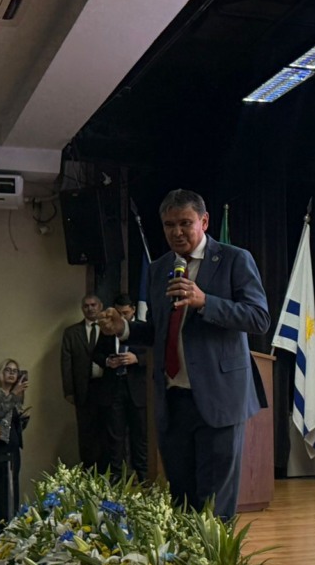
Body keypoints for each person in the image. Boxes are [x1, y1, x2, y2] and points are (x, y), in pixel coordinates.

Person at [99, 188, 269, 518]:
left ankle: (214, 555)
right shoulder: (160, 268)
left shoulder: (234, 259)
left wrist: (206, 302)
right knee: (182, 503)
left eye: (185, 223)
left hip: (220, 400)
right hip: (173, 401)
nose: (176, 232)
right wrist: (124, 329)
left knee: (214, 508)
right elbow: (160, 331)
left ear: (204, 222)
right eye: (168, 225)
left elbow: (259, 318)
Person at [93, 293, 148, 482]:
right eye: (119, 313)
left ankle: (143, 475)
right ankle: (116, 475)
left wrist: (137, 358)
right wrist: (108, 361)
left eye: (126, 313)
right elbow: (96, 354)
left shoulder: (142, 329)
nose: (122, 317)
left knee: (140, 434)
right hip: (114, 386)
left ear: (133, 310)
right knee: (115, 435)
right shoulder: (108, 330)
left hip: (137, 388)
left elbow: (155, 353)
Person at [61, 294, 106, 470]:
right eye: (86, 306)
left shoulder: (108, 329)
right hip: (83, 390)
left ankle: (108, 472)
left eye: (93, 305)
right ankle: (88, 471)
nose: (90, 308)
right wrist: (68, 391)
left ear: (100, 306)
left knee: (108, 432)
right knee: (86, 432)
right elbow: (66, 364)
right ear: (82, 309)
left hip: (107, 388)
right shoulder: (71, 333)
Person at [0, 359, 30, 525]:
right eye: (8, 370)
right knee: (0, 489)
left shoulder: (16, 396)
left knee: (13, 487)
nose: (11, 374)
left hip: (13, 446)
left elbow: (12, 421)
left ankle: (12, 523)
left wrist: (23, 420)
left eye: (15, 371)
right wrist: (14, 395)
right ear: (1, 373)